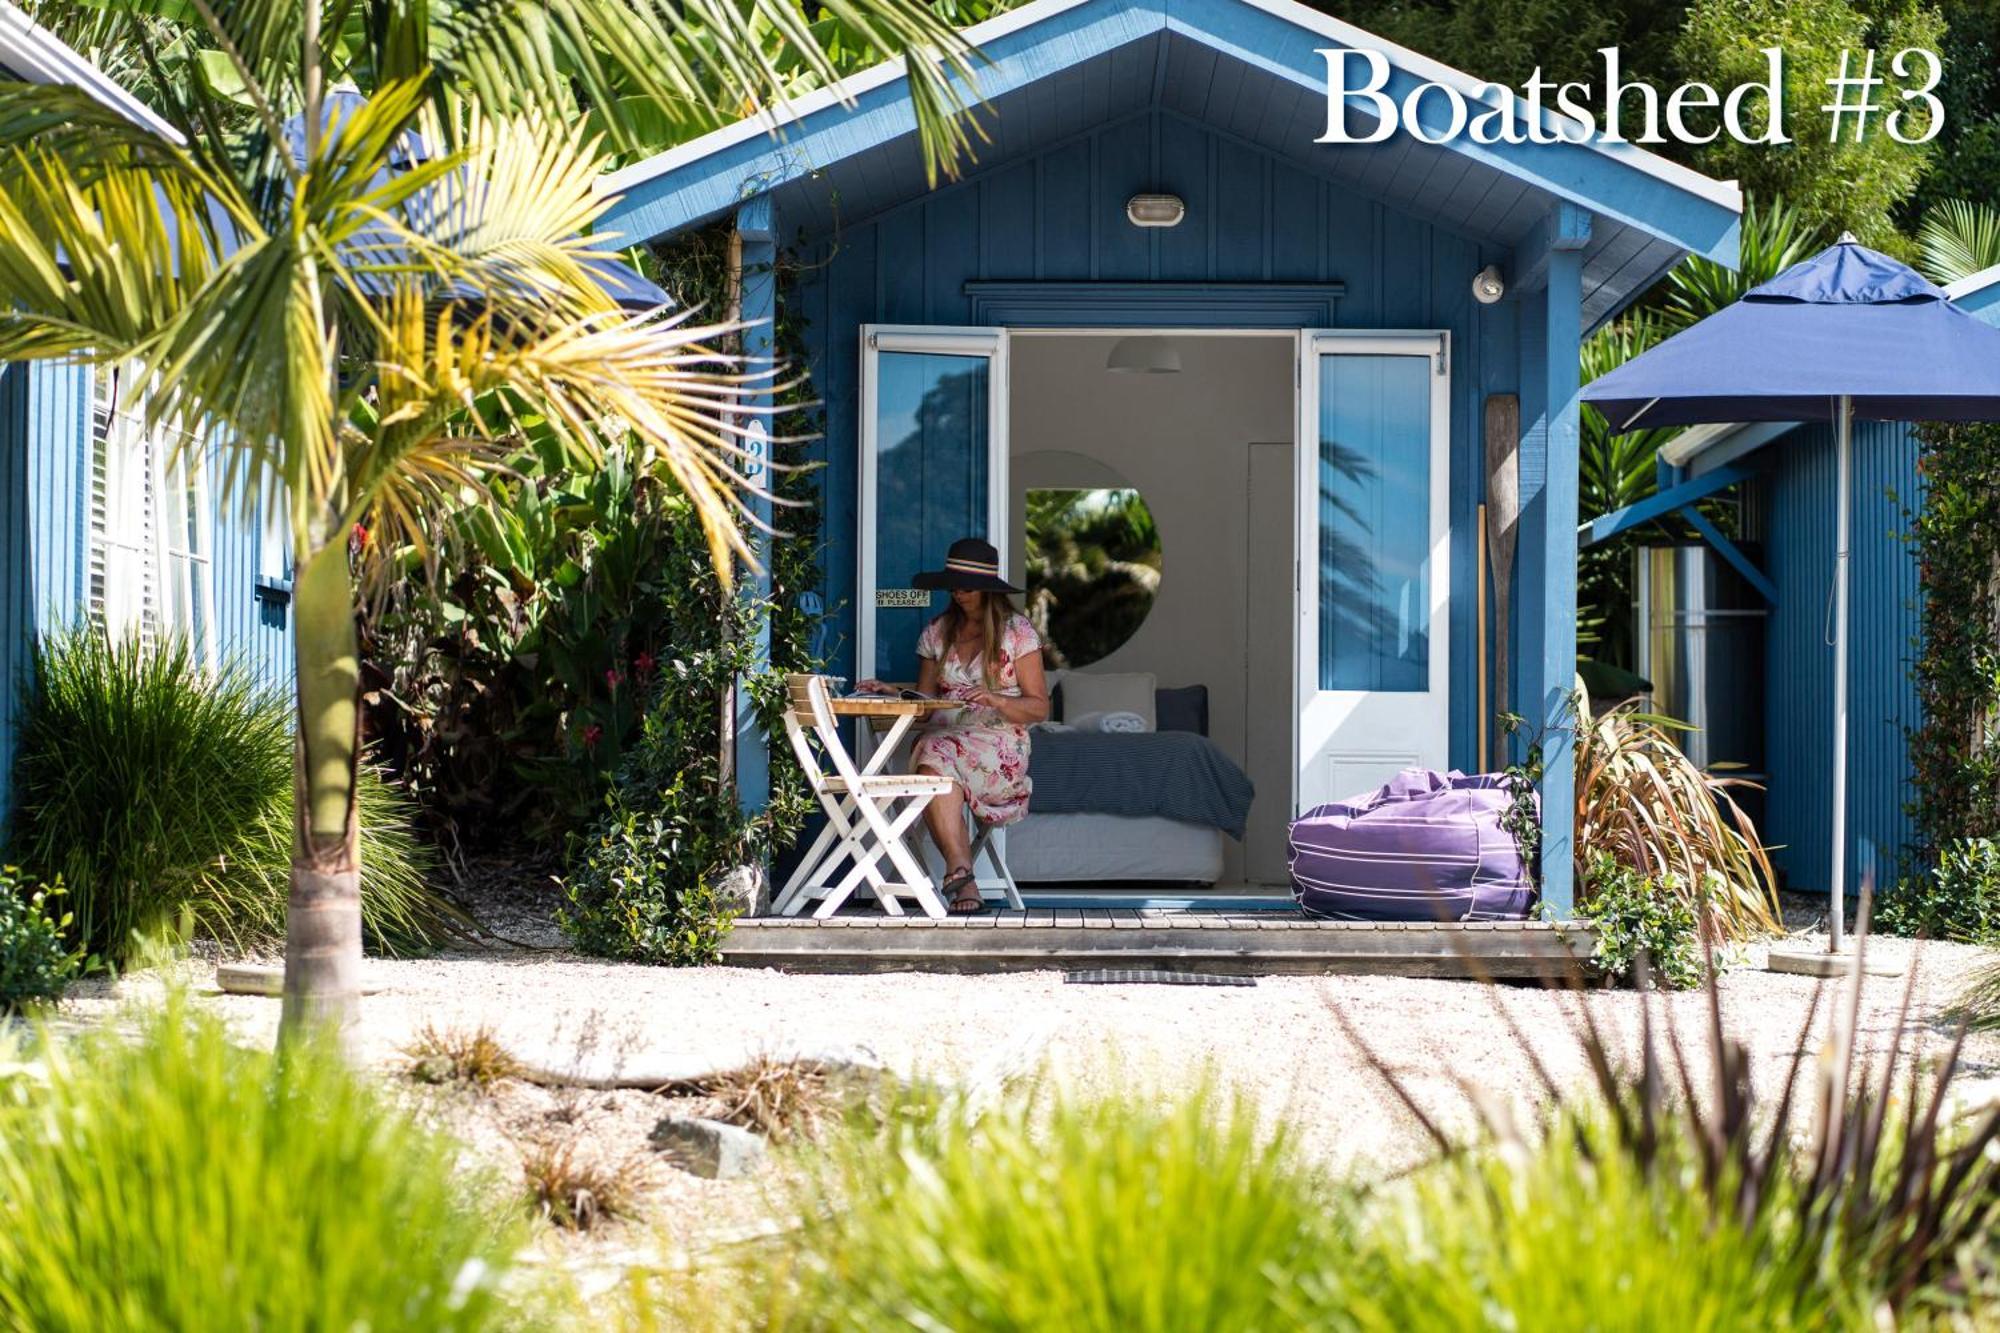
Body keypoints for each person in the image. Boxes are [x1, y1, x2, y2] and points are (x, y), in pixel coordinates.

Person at [857, 537, 1049, 913]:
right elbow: (926, 708)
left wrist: (996, 698)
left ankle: (961, 876)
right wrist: (895, 692)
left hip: (999, 747)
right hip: (945, 741)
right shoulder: (937, 632)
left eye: (968, 586)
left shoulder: (1017, 632)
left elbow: (1039, 708)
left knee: (933, 754)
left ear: (988, 590)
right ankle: (962, 874)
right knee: (933, 754)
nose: (959, 593)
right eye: (954, 585)